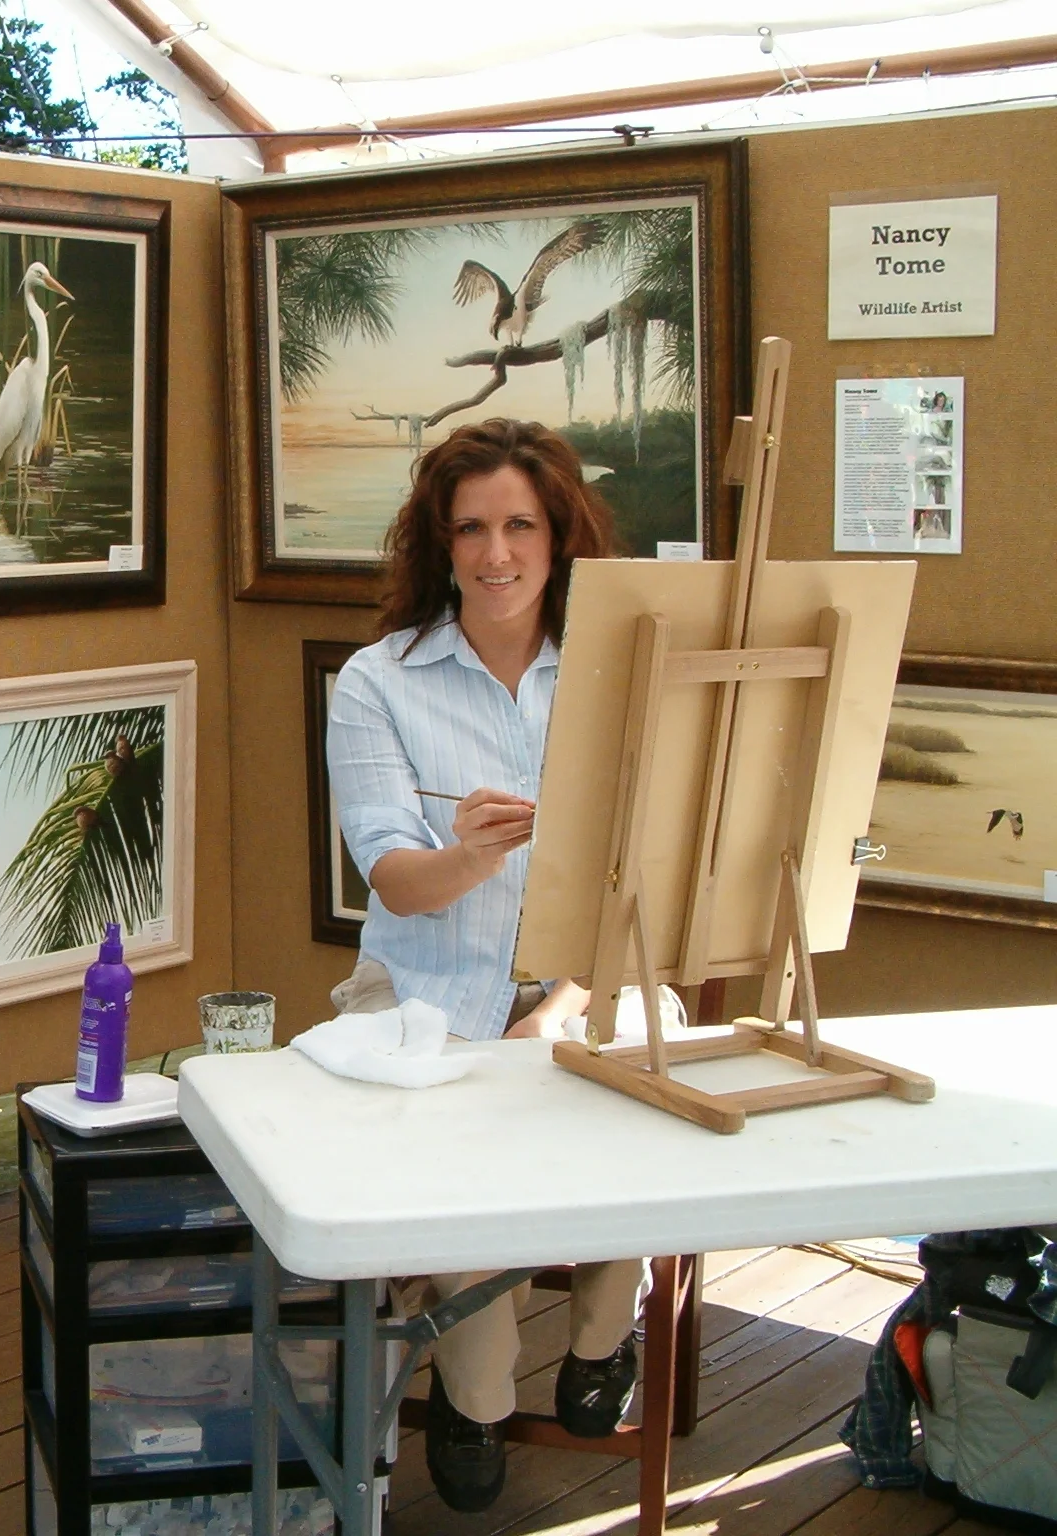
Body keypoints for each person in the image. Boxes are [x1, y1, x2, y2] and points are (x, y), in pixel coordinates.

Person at [325, 418, 644, 1514]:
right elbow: (393, 880)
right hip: (423, 992)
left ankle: (603, 1337)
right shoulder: (375, 682)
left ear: (560, 536)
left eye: (519, 526)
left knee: (645, 1103)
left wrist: (560, 1004)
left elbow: (638, 881)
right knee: (451, 1150)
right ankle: (477, 1397)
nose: (495, 554)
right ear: (439, 542)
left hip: (586, 980)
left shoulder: (617, 669)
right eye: (470, 529)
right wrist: (466, 855)